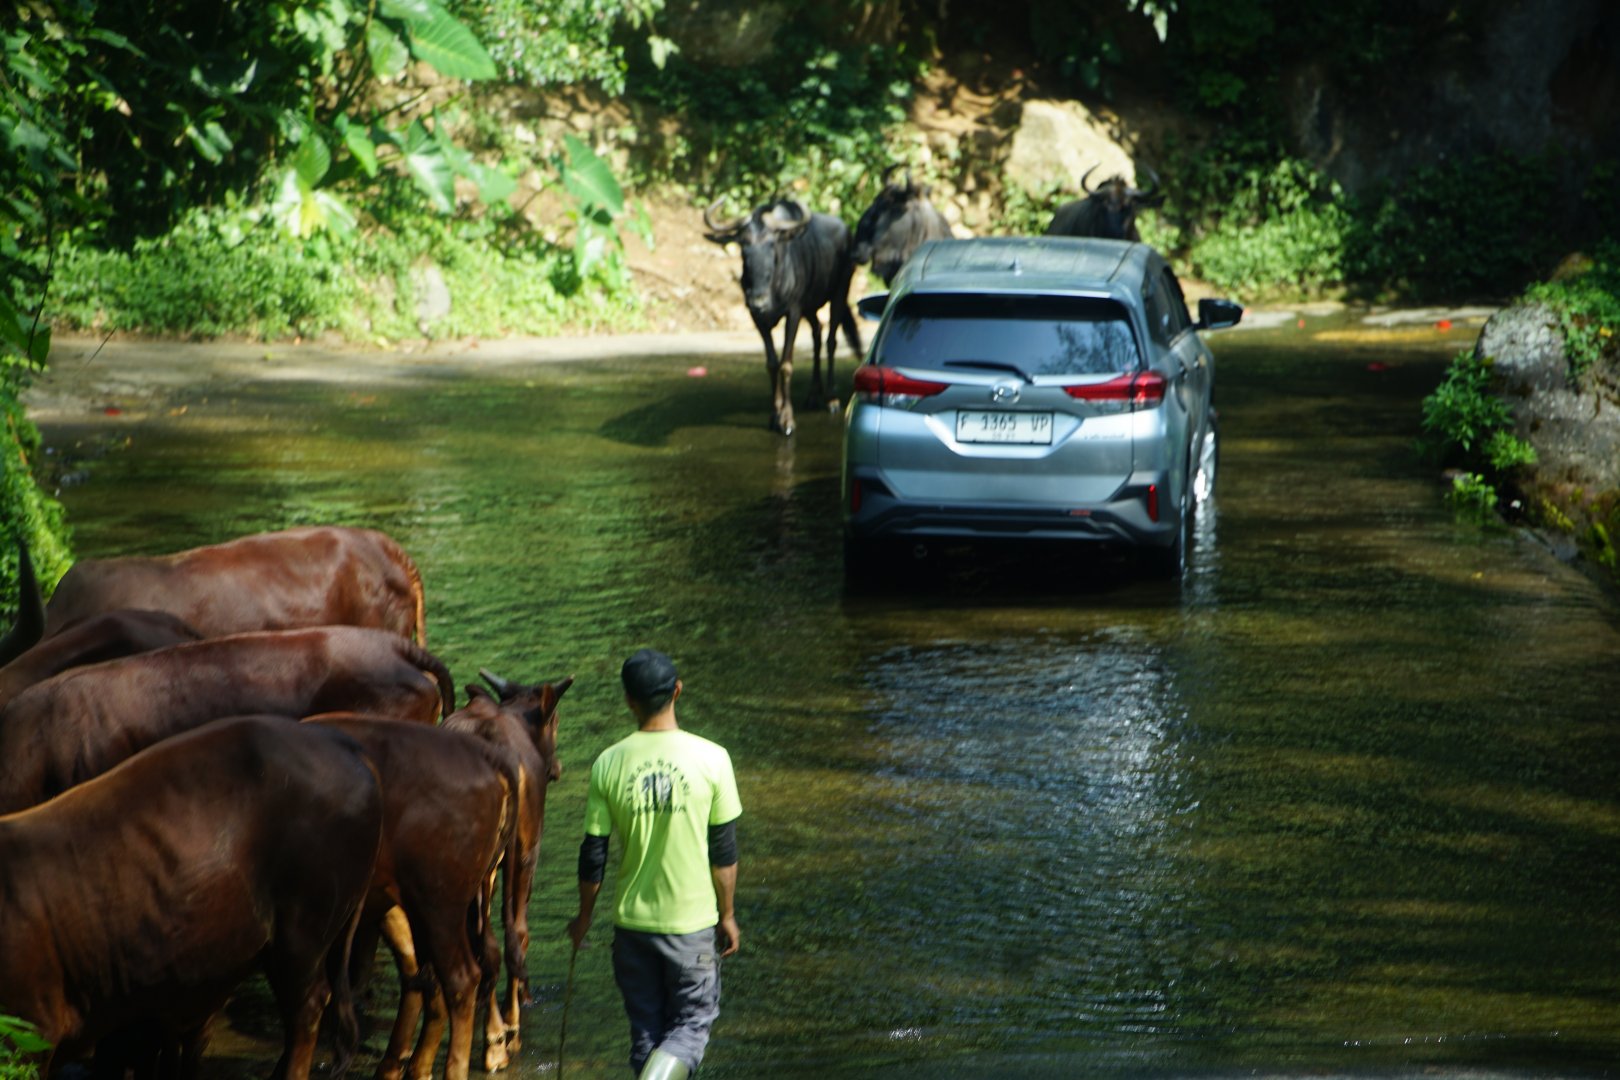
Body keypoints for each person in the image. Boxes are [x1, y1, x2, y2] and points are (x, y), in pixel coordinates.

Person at [567, 648, 742, 1080]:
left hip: (632, 928)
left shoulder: (608, 762)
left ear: (629, 699)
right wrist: (727, 914)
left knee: (647, 1035)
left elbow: (593, 853)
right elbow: (723, 852)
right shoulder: (713, 758)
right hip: (690, 928)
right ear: (677, 691)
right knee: (690, 1029)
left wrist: (584, 917)